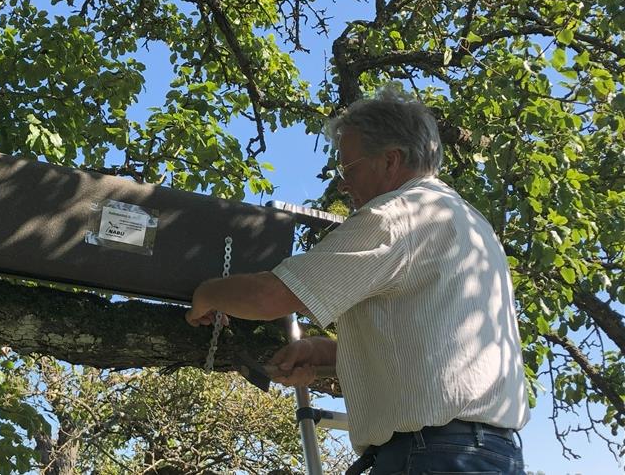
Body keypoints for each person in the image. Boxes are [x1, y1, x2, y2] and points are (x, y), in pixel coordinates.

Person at [185, 86, 530, 474]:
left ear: (390, 160)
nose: (343, 185)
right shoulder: (469, 223)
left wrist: (207, 293)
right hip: (488, 454)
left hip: (434, 455)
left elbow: (273, 296)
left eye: (348, 169)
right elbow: (430, 345)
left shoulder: (396, 216)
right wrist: (330, 353)